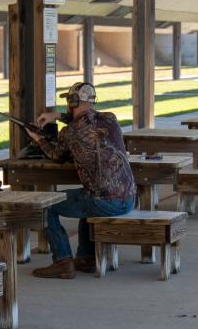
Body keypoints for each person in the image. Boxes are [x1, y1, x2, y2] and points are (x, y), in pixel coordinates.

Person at [26, 82, 136, 279]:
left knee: (47, 206)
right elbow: (87, 120)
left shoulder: (69, 132)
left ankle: (62, 261)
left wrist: (38, 138)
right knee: (86, 194)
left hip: (105, 202)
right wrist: (56, 116)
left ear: (72, 101)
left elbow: (55, 155)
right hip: (128, 198)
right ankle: (85, 258)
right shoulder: (110, 119)